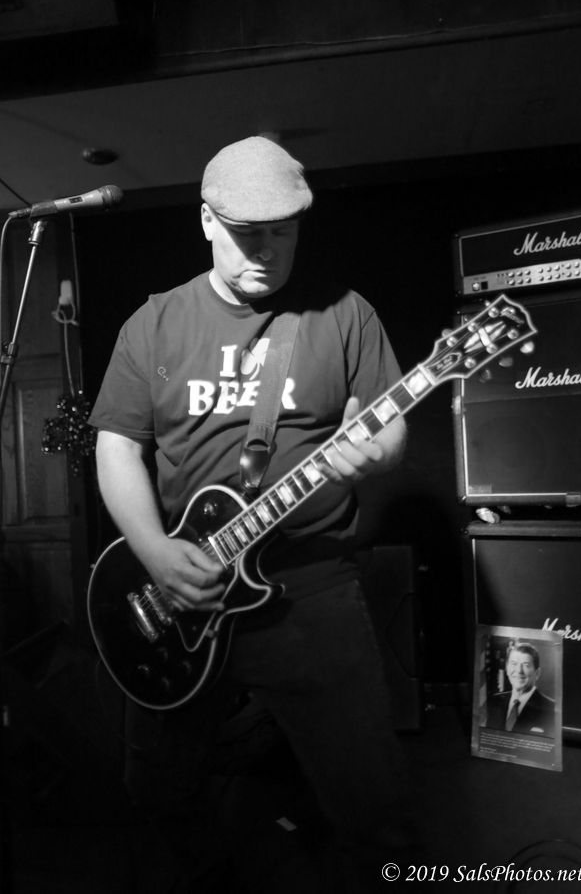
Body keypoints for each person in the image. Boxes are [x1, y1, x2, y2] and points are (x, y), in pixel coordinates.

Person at [89, 135, 410, 892]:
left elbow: (391, 425)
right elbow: (116, 448)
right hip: (182, 585)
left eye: (283, 233)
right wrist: (155, 551)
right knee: (158, 792)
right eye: (246, 233)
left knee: (372, 804)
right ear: (206, 221)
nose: (265, 250)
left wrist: (376, 453)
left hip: (310, 588)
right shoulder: (154, 323)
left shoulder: (345, 315)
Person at [486, 641, 556, 736]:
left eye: (526, 665)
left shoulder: (551, 709)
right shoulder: (494, 701)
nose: (519, 671)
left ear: (537, 673)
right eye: (514, 664)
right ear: (507, 668)